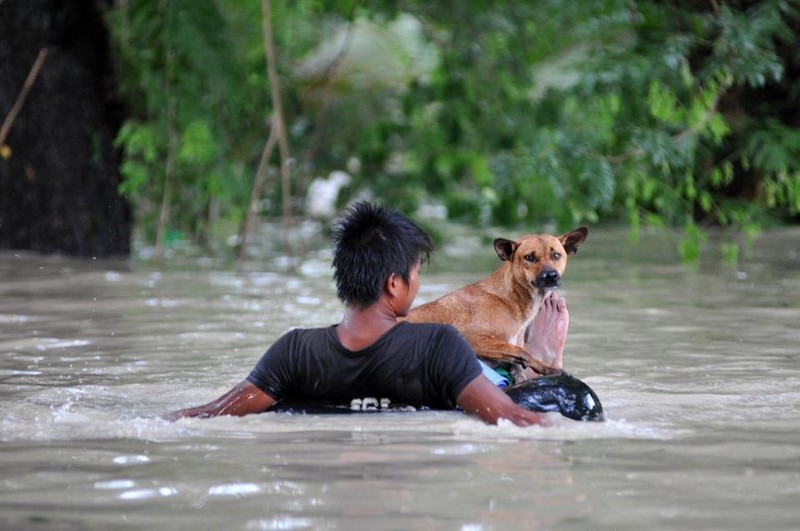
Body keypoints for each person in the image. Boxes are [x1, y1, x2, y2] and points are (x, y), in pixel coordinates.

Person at [167, 202, 568, 426]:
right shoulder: (438, 345)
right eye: (414, 274)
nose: (417, 285)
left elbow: (207, 415)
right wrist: (547, 360)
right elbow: (517, 421)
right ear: (395, 284)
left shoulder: (294, 350)